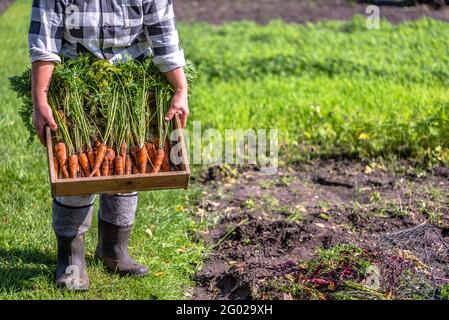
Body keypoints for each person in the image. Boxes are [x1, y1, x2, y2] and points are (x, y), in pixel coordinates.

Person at [29, 0, 189, 290]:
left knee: (127, 165)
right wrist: (40, 100)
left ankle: (114, 249)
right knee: (75, 176)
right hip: (75, 81)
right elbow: (45, 42)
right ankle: (71, 258)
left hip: (129, 85)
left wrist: (180, 88)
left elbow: (164, 35)